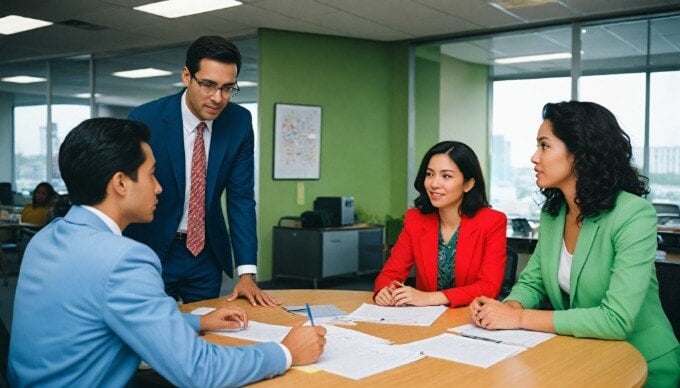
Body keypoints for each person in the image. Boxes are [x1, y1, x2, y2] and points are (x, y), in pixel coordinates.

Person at [8, 118, 326, 386]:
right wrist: (286, 352)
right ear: (120, 183)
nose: (159, 187)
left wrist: (198, 323)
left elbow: (104, 314)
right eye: (151, 174)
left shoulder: (45, 239)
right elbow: (198, 370)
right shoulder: (124, 260)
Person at [469, 101, 680, 387]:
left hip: (642, 364)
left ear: (580, 153)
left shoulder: (634, 214)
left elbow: (616, 319)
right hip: (584, 357)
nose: (534, 157)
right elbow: (533, 282)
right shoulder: (554, 213)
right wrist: (503, 310)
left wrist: (518, 317)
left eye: (544, 146)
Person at [125, 35, 274, 305]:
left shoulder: (239, 122)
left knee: (208, 329)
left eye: (228, 88)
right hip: (153, 248)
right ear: (186, 76)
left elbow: (241, 199)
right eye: (208, 85)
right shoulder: (146, 119)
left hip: (205, 253)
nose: (218, 98)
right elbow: (127, 191)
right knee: (151, 334)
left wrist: (247, 273)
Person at [374, 141, 507, 307]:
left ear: (468, 184)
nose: (434, 184)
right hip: (424, 320)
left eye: (446, 176)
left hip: (471, 318)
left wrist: (429, 298)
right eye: (430, 174)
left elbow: (489, 287)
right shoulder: (415, 219)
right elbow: (390, 273)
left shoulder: (492, 221)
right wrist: (384, 290)